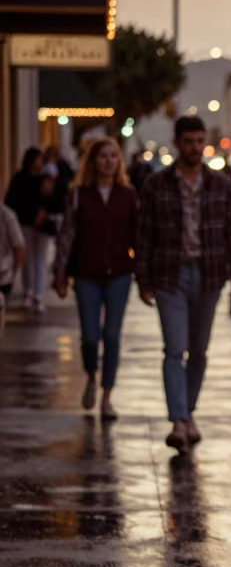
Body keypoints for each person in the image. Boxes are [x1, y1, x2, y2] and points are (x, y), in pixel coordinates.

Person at [136, 115, 231, 452]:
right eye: (189, 142)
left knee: (198, 350)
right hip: (171, 274)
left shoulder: (220, 184)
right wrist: (143, 278)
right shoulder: (157, 184)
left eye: (199, 141)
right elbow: (144, 235)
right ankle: (179, 421)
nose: (195, 148)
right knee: (174, 349)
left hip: (210, 274)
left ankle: (188, 412)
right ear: (177, 143)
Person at [53, 137, 138, 420]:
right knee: (90, 336)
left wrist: (143, 272)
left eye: (114, 156)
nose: (108, 162)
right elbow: (67, 234)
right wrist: (60, 272)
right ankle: (91, 376)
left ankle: (107, 396)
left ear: (119, 161)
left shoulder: (127, 194)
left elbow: (138, 236)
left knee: (112, 337)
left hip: (119, 274)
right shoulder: (79, 194)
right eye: (103, 156)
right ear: (93, 161)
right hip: (86, 274)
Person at [5, 147, 52, 313]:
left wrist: (43, 212)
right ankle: (29, 292)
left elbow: (53, 200)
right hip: (24, 224)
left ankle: (38, 294)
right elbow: (12, 201)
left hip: (41, 227)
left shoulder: (44, 180)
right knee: (27, 259)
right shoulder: (20, 179)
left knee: (40, 259)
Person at [0, 201, 25, 318]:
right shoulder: (6, 214)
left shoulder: (6, 215)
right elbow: (19, 246)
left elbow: (19, 247)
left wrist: (14, 275)